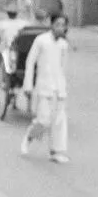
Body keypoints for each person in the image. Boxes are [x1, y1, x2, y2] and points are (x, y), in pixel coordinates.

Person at [21, 14, 70, 164]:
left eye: (63, 25)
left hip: (58, 88)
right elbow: (30, 62)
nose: (60, 28)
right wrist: (28, 84)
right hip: (44, 87)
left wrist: (63, 88)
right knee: (43, 120)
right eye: (57, 24)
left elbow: (63, 68)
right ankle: (29, 137)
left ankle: (56, 151)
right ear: (51, 25)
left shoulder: (63, 45)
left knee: (59, 121)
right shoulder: (41, 40)